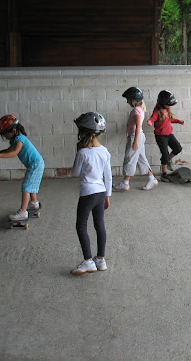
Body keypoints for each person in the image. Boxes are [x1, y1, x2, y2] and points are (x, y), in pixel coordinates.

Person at [71, 112, 112, 275]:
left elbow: (75, 173)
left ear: (84, 132)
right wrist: (108, 195)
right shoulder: (104, 151)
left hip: (87, 193)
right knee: (99, 224)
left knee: (81, 225)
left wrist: (78, 152)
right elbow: (108, 176)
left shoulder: (82, 153)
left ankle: (88, 261)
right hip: (101, 192)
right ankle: (101, 260)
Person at [0, 114, 44, 221]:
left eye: (4, 134)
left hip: (35, 164)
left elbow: (14, 152)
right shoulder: (15, 139)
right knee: (31, 184)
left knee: (27, 186)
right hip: (36, 163)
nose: (4, 137)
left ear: (13, 130)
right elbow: (9, 150)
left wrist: (0, 155)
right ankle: (34, 203)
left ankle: (23, 211)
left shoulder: (20, 139)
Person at [113, 87, 158, 191]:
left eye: (128, 99)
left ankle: (125, 183)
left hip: (135, 136)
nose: (127, 101)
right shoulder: (139, 109)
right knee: (141, 159)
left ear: (134, 100)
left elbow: (138, 126)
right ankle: (152, 179)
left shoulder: (137, 111)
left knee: (130, 159)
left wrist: (135, 141)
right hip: (138, 136)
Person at [147, 90, 185, 183]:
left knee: (178, 148)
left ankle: (168, 160)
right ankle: (164, 174)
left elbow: (170, 119)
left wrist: (179, 121)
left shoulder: (167, 110)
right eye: (169, 104)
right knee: (165, 154)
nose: (170, 106)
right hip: (160, 136)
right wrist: (150, 121)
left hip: (169, 134)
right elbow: (153, 118)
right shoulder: (157, 111)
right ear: (163, 103)